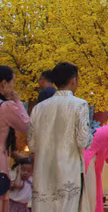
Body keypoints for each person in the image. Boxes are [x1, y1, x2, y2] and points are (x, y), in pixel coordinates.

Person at [29, 62, 93, 212]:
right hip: (68, 173)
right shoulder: (80, 105)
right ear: (73, 80)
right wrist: (91, 137)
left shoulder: (39, 108)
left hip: (43, 173)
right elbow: (84, 141)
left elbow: (32, 144)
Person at [0, 67, 29, 212]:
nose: (14, 87)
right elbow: (27, 127)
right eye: (13, 82)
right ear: (4, 84)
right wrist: (18, 102)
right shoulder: (5, 107)